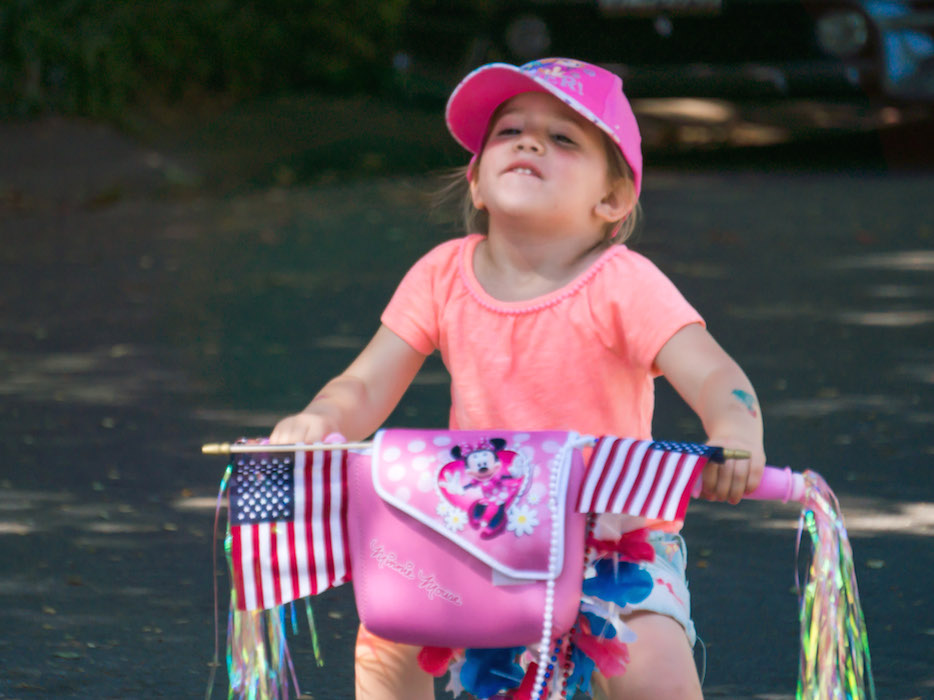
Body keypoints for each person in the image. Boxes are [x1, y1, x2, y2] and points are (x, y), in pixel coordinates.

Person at [270, 58, 766, 700]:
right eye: (509, 132)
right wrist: (322, 420)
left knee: (652, 666)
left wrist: (734, 432)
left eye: (564, 138)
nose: (531, 142)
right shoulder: (442, 274)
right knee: (387, 640)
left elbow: (716, 374)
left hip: (612, 540)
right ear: (476, 180)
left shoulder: (623, 283)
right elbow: (364, 384)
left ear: (612, 199)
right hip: (474, 528)